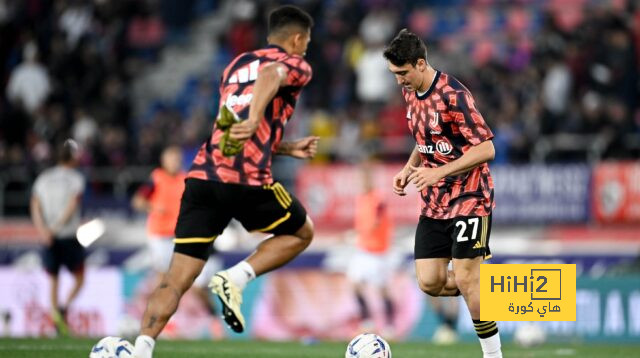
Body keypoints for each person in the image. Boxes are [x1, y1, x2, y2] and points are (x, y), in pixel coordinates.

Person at [133, 6, 317, 357]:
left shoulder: (235, 66)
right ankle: (236, 278)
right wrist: (257, 114)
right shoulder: (296, 64)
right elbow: (273, 75)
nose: (306, 48)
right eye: (306, 41)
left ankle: (140, 348)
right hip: (246, 181)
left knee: (175, 278)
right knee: (302, 232)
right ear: (296, 38)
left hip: (203, 176)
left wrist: (287, 146)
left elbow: (233, 131)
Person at [383, 29, 502, 358]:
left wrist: (438, 172)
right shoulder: (411, 94)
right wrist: (409, 168)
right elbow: (426, 141)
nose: (398, 81)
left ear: (420, 64)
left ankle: (493, 354)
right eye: (394, 74)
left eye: (402, 73)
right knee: (430, 282)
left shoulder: (453, 94)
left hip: (470, 197)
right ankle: (497, 291)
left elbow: (487, 148)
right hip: (434, 205)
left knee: (465, 277)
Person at [131, 146, 224, 338]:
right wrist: (153, 208)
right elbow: (137, 201)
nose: (174, 162)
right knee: (165, 278)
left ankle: (172, 319)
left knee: (187, 283)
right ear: (163, 160)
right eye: (170, 158)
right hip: (160, 236)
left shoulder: (186, 179)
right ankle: (162, 321)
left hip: (182, 236)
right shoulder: (156, 178)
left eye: (176, 158)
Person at [30, 139, 85, 336]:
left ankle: (56, 318)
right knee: (79, 278)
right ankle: (63, 308)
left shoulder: (44, 177)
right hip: (67, 235)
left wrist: (43, 230)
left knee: (53, 279)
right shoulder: (76, 179)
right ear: (72, 157)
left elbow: (35, 205)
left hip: (47, 237)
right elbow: (72, 206)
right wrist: (55, 228)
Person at [346, 162, 395, 336]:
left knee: (382, 289)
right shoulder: (361, 198)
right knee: (355, 285)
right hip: (363, 250)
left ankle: (389, 327)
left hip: (378, 252)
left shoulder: (378, 198)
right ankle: (367, 322)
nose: (362, 182)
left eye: (365, 178)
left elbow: (376, 219)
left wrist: (359, 232)